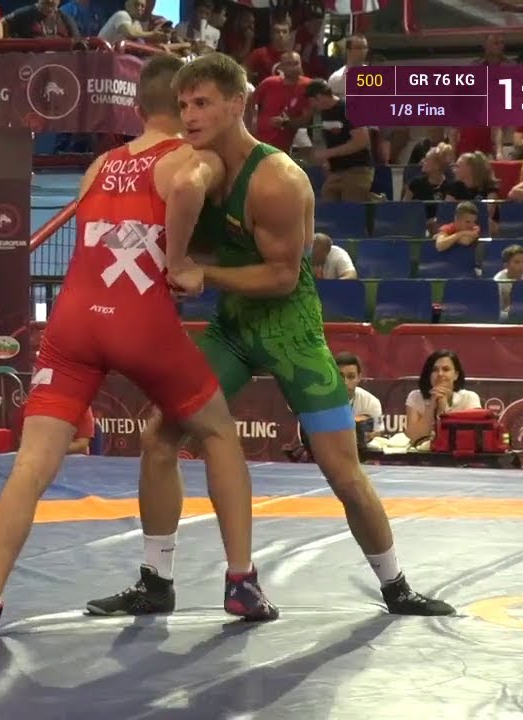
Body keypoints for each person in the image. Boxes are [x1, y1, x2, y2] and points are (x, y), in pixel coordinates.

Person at [87, 53, 455, 618]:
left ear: (238, 104)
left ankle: (396, 585)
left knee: (342, 469)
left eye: (203, 103)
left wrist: (203, 273)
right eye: (183, 104)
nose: (189, 114)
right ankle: (156, 581)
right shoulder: (194, 168)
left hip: (291, 333)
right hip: (233, 330)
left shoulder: (277, 179)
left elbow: (283, 276)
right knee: (160, 433)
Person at [0, 54, 278, 640]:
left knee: (31, 466)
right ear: (183, 106)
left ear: (137, 108)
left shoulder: (99, 165)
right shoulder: (191, 158)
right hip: (140, 321)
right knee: (218, 433)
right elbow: (188, 189)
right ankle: (241, 581)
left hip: (73, 324)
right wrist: (179, 259)